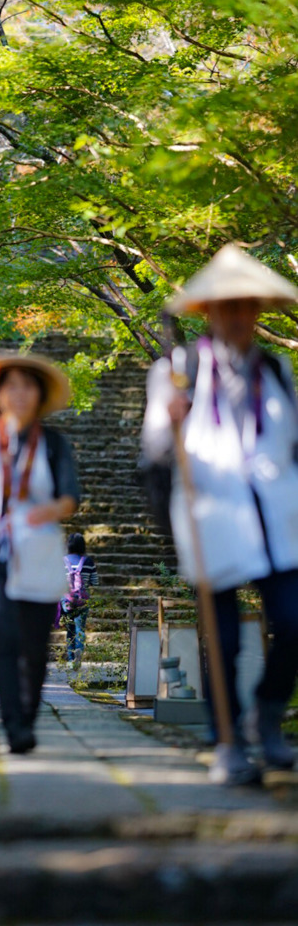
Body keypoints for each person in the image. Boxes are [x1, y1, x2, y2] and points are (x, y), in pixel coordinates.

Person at [141, 244, 298, 785]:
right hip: (210, 516)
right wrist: (171, 423)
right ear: (208, 312)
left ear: (257, 311)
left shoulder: (275, 370)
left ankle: (268, 716)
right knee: (224, 637)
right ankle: (226, 741)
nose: (237, 316)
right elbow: (155, 453)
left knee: (295, 619)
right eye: (226, 306)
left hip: (278, 517)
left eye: (246, 306)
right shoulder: (178, 371)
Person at [0, 353, 80, 754]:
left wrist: (50, 510)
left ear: (39, 394)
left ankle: (28, 714)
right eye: (12, 385)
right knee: (3, 640)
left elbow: (70, 498)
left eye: (28, 385)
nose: (20, 393)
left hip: (37, 551)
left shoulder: (54, 443)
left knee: (36, 646)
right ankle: (13, 727)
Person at [57, 532, 97, 670]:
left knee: (70, 629)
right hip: (83, 601)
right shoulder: (88, 561)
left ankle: (70, 658)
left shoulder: (63, 561)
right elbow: (95, 582)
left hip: (67, 600)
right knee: (80, 629)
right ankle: (79, 651)